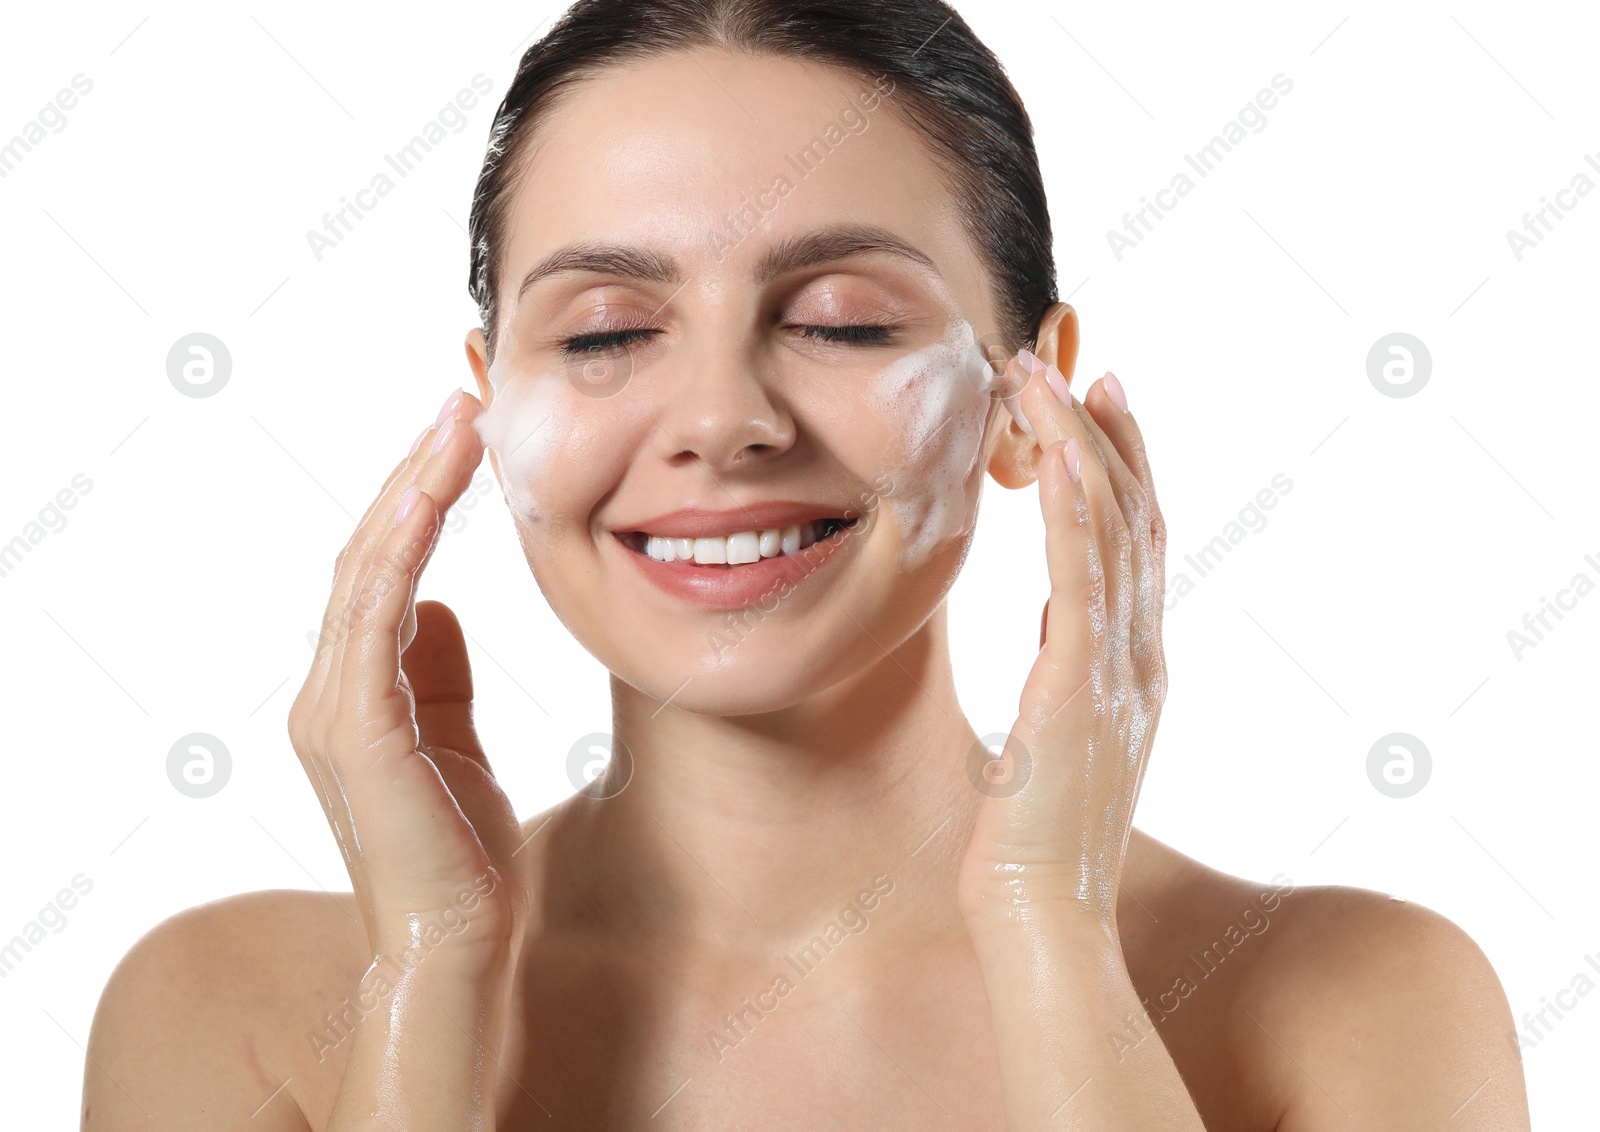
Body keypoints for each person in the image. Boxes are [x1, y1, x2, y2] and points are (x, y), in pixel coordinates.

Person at [83, 2, 1531, 1127]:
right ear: (487, 400)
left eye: (841, 321)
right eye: (601, 333)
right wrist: (426, 984)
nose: (721, 422)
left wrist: (1049, 927)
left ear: (1028, 396)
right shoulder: (232, 1013)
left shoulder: (1358, 1004)